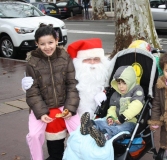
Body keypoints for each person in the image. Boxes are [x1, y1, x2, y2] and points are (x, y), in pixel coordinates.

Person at [24, 23, 80, 160]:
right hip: (43, 106)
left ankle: (78, 156)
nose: (47, 47)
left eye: (50, 42)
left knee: (80, 131)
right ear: (37, 43)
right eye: (42, 44)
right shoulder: (32, 62)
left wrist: (70, 108)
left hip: (64, 104)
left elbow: (72, 84)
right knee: (34, 135)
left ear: (57, 40)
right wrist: (41, 112)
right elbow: (32, 91)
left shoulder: (65, 58)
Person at [80, 65, 145, 147]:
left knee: (119, 129)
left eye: (124, 83)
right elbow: (112, 108)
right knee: (103, 123)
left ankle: (104, 136)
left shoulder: (136, 90)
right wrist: (110, 117)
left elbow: (137, 105)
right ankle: (89, 126)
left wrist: (123, 117)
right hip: (116, 120)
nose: (121, 86)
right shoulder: (116, 94)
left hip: (130, 122)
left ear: (130, 81)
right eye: (119, 83)